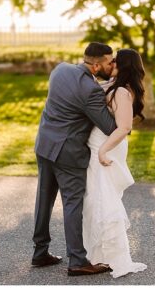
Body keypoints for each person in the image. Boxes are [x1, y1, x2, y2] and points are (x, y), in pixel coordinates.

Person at [32, 43, 117, 277]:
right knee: (72, 204)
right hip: (68, 153)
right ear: (96, 65)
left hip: (44, 144)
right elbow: (109, 127)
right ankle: (78, 260)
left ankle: (40, 252)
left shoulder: (60, 70)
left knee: (44, 199)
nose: (113, 65)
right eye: (109, 62)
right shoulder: (91, 90)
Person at [82, 48, 147, 278]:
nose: (112, 64)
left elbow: (125, 127)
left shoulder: (120, 91)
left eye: (116, 61)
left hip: (105, 148)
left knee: (102, 198)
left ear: (124, 65)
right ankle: (98, 253)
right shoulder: (115, 86)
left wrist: (103, 150)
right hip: (101, 145)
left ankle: (111, 255)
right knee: (96, 198)